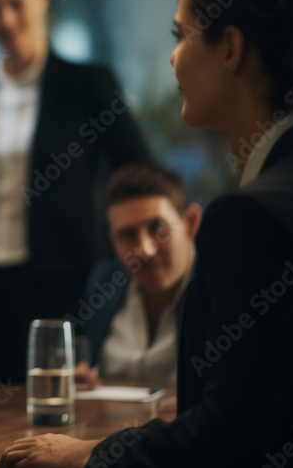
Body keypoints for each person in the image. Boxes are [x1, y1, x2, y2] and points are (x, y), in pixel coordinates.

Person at [0, 0, 293, 467]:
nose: (173, 59)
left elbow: (230, 439)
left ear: (229, 48)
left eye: (180, 36)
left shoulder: (251, 217)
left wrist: (88, 455)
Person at [0, 0, 151, 383]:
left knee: (53, 399)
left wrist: (117, 244)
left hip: (62, 278)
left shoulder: (86, 84)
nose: (5, 19)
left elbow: (138, 172)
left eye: (15, 3)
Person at [75, 163, 200, 390]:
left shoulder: (219, 288)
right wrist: (80, 376)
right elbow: (85, 368)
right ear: (112, 239)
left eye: (158, 228)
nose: (145, 249)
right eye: (127, 235)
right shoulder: (103, 283)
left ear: (191, 222)